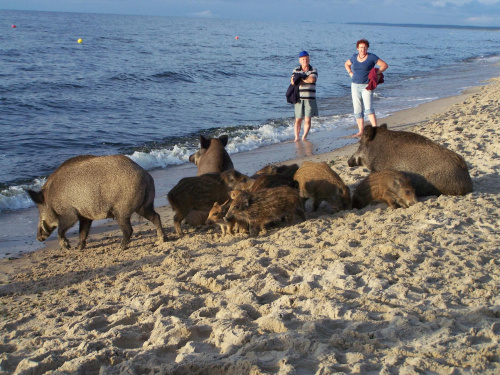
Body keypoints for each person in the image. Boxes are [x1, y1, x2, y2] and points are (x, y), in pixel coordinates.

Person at [345, 39, 388, 137]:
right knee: (357, 110)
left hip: (366, 86)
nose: (362, 49)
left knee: (368, 109)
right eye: (360, 47)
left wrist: (375, 73)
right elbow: (346, 64)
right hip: (354, 85)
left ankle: (375, 129)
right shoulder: (354, 57)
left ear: (367, 48)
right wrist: (350, 73)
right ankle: (361, 131)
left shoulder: (371, 57)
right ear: (357, 48)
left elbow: (384, 65)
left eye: (364, 47)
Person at [291, 51, 318, 142]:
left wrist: (300, 79)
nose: (305, 61)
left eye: (306, 59)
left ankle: (304, 136)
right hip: (298, 98)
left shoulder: (313, 69)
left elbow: (312, 79)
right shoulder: (296, 70)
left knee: (307, 119)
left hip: (310, 98)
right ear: (300, 60)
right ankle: (296, 137)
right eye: (303, 59)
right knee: (298, 119)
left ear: (309, 59)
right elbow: (293, 82)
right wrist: (304, 79)